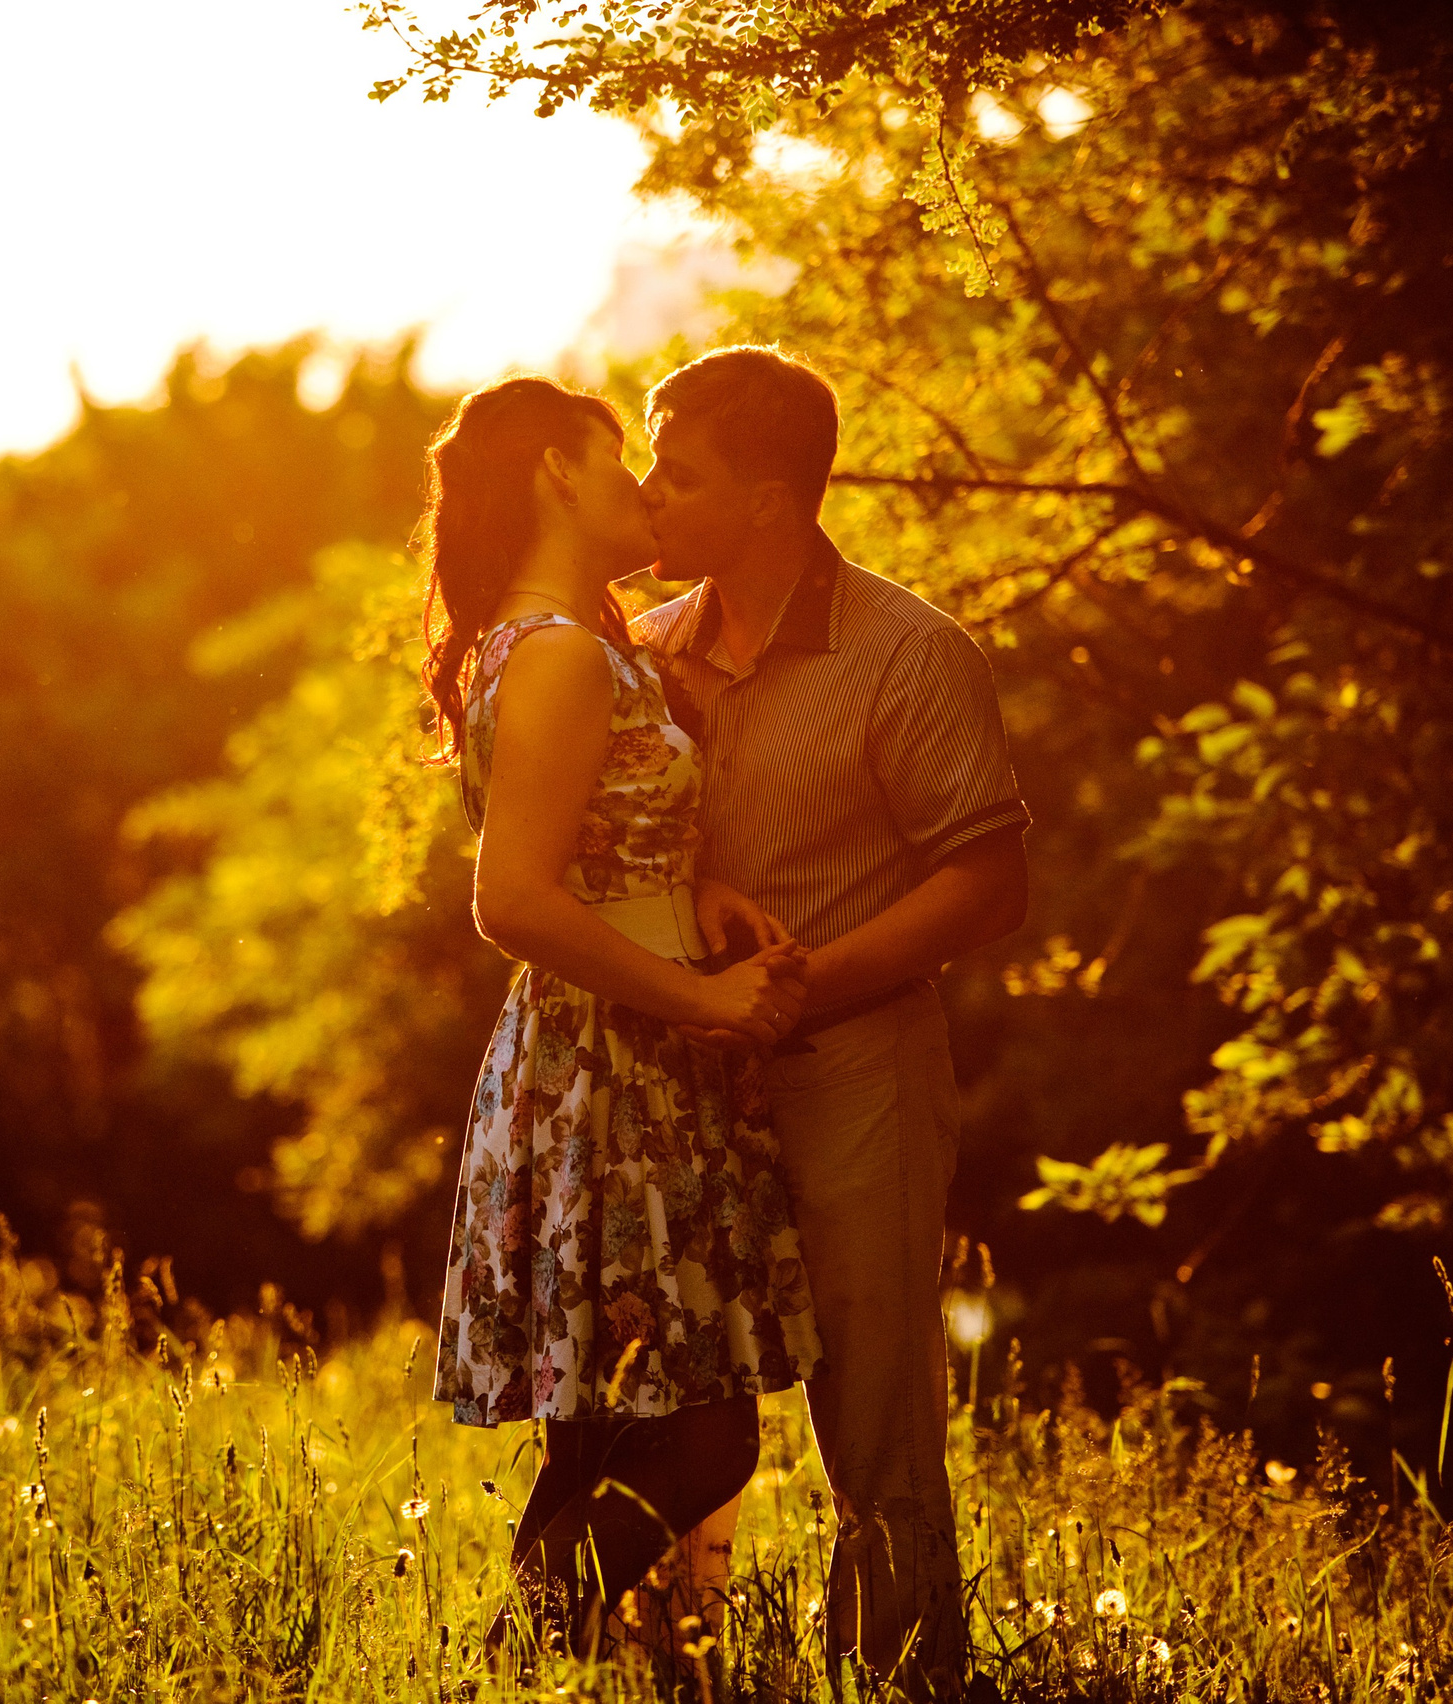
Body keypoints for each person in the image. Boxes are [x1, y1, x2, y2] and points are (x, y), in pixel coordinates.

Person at [629, 346, 1031, 1696]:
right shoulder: (638, 656)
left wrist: (807, 988)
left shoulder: (910, 654)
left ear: (768, 495)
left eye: (675, 472)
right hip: (675, 1081)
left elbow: (988, 880)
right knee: (674, 1393)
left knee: (871, 1403)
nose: (646, 494)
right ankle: (674, 1668)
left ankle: (902, 1678)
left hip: (859, 1068)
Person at [419, 375, 826, 1666]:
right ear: (553, 472)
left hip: (620, 1058)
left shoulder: (571, 644)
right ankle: (505, 1665)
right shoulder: (550, 655)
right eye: (615, 461)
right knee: (707, 1434)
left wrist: (686, 883)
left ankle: (527, 1677)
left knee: (602, 1433)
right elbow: (515, 902)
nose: (641, 490)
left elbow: (591, 848)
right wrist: (701, 997)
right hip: (608, 1066)